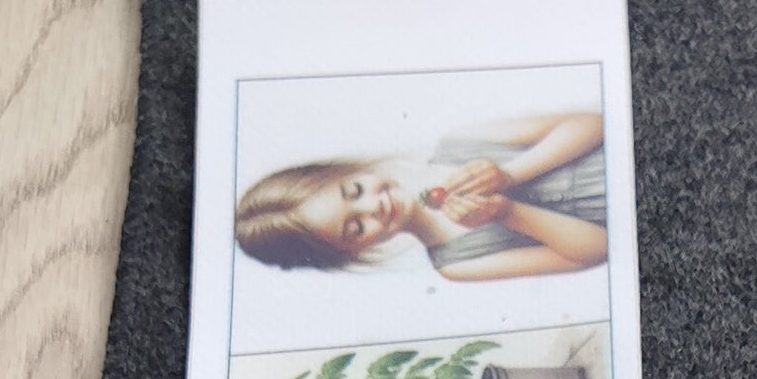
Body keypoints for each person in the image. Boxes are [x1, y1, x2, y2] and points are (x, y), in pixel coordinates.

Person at [234, 112, 607, 284]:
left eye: (355, 191)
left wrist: (510, 174)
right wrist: (507, 213)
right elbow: (600, 249)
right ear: (352, 251)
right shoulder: (456, 263)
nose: (374, 207)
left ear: (346, 171)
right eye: (356, 227)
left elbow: (594, 124)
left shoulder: (459, 143)